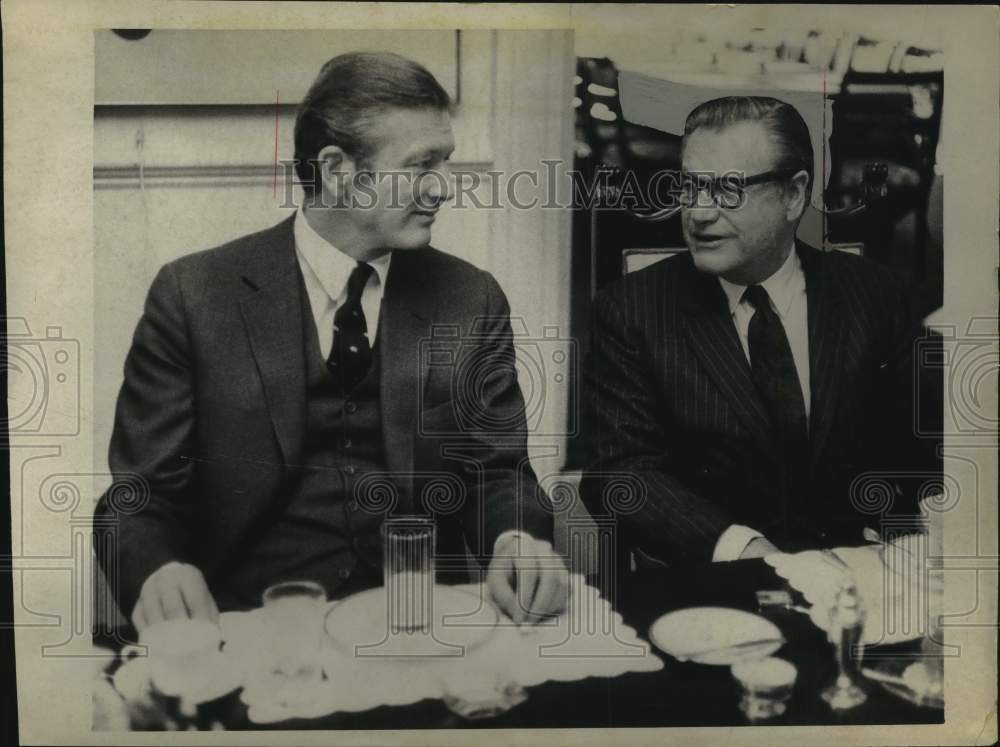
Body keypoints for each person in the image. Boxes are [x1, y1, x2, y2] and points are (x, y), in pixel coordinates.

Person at [95, 51, 567, 632]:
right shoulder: (193, 296)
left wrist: (515, 537)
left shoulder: (470, 298)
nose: (445, 189)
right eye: (422, 166)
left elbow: (499, 473)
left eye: (446, 163)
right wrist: (157, 570)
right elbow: (139, 498)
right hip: (253, 634)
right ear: (338, 169)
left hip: (422, 630)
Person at [580, 96, 938, 571]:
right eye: (689, 186)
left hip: (862, 583)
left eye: (728, 189)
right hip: (711, 592)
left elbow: (921, 452)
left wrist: (903, 531)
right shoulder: (631, 310)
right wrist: (747, 552)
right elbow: (620, 474)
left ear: (793, 195)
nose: (699, 213)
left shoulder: (877, 295)